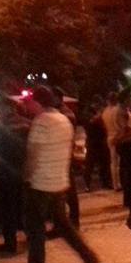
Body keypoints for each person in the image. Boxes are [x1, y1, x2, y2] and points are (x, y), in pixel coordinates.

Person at [18, 86, 99, 263]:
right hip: (59, 182)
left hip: (40, 184)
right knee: (64, 226)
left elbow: (33, 154)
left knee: (35, 230)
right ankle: (89, 258)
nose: (27, 106)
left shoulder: (41, 122)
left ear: (37, 102)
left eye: (30, 102)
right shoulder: (64, 120)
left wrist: (26, 176)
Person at [0, 96, 30, 255]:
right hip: (24, 171)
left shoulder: (1, 127)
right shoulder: (27, 123)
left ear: (8, 108)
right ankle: (31, 238)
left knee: (7, 208)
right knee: (23, 206)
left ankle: (10, 244)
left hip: (6, 173)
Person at [53, 87, 80, 228]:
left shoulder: (65, 114)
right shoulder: (62, 112)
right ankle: (65, 221)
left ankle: (73, 220)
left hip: (64, 154)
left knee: (69, 190)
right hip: (62, 154)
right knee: (64, 190)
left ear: (58, 98)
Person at [114, 89, 131, 208]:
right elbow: (125, 129)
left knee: (129, 171)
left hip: (128, 143)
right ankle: (128, 197)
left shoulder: (125, 110)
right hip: (127, 144)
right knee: (129, 172)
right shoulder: (121, 112)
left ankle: (129, 197)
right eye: (129, 97)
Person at [83, 102, 111, 191]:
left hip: (93, 144)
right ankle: (104, 182)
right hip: (97, 144)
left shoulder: (89, 120)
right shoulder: (94, 120)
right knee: (100, 165)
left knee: (92, 165)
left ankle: (89, 184)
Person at [101, 91, 121, 190]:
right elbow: (120, 126)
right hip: (118, 136)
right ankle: (120, 183)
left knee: (113, 163)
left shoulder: (105, 112)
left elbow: (104, 126)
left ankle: (115, 184)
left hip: (109, 136)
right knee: (119, 162)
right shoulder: (117, 110)